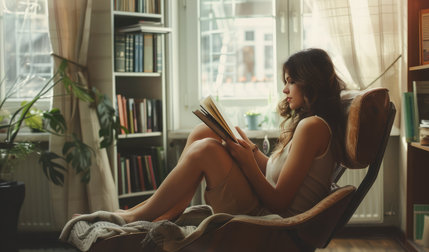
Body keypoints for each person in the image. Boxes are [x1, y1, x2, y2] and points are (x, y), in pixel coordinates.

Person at [117, 48, 346, 223]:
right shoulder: (310, 125)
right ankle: (167, 207)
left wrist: (247, 162)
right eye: (285, 81)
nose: (285, 89)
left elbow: (279, 201)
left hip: (274, 221)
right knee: (204, 131)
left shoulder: (313, 127)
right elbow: (277, 175)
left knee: (206, 149)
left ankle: (136, 217)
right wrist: (251, 150)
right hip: (268, 208)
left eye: (291, 81)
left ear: (311, 83)